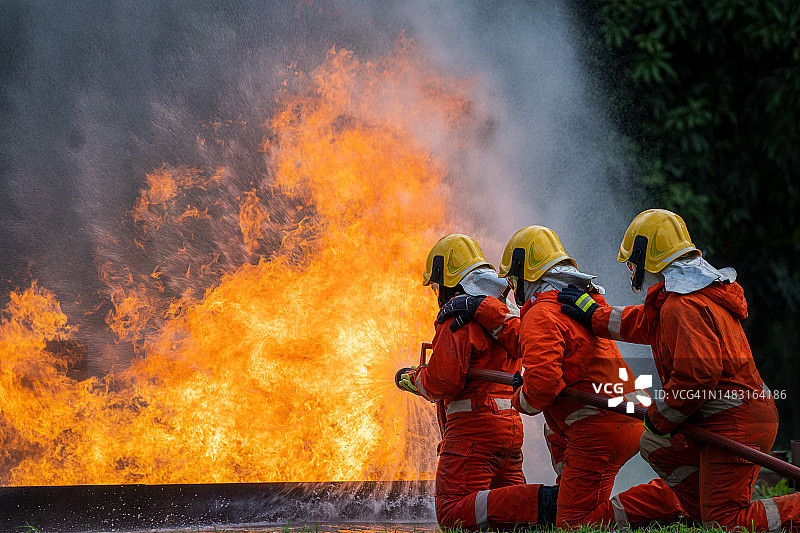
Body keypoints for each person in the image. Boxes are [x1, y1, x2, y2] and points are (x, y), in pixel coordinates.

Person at [558, 208, 800, 531]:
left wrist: (661, 415)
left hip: (733, 422)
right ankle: (701, 507)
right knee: (655, 445)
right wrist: (592, 315)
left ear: (647, 259)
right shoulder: (680, 298)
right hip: (725, 418)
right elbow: (642, 322)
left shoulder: (681, 306)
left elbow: (698, 375)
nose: (632, 272)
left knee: (725, 523)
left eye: (632, 264)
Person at [439, 225, 686, 529]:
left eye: (514, 278)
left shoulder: (542, 313)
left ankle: (673, 500)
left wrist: (520, 398)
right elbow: (529, 340)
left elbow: (541, 386)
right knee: (566, 466)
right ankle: (663, 499)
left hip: (597, 427)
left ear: (523, 272)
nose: (513, 287)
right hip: (624, 414)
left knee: (573, 523)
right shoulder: (571, 303)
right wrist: (485, 309)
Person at [396, 233, 558, 530]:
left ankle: (548, 503)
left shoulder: (457, 317)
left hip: (472, 433)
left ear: (447, 282)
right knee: (508, 514)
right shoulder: (504, 313)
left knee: (453, 513)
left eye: (437, 286)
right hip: (509, 427)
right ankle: (545, 506)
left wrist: (415, 378)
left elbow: (443, 382)